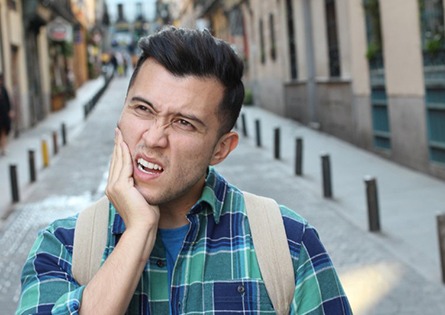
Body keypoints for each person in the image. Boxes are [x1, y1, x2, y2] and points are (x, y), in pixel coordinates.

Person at [16, 27, 352, 314]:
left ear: (221, 148)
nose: (153, 138)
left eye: (184, 123)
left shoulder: (288, 244)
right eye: (143, 108)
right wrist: (137, 232)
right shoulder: (64, 247)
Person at [0, 73, 13, 156]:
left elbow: (8, 101)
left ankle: (3, 148)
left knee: (4, 131)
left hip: (3, 114)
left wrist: (10, 111)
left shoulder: (4, 89)